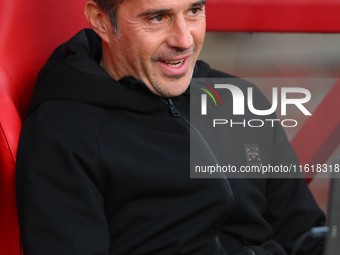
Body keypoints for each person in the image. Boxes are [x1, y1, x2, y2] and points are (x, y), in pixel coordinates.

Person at [16, 0, 325, 254]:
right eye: (158, 17)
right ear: (100, 20)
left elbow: (304, 235)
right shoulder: (63, 134)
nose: (184, 40)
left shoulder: (237, 98)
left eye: (194, 11)